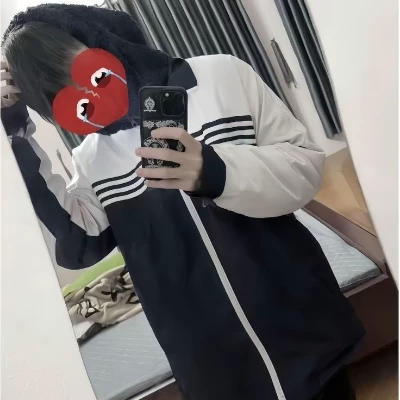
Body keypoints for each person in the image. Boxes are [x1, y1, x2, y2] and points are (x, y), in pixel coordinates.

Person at [1, 4, 362, 400]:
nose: (85, 94)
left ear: (98, 38)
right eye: (59, 94)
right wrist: (15, 134)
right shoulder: (91, 157)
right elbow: (79, 243)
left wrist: (215, 171)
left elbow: (304, 168)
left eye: (84, 72)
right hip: (212, 361)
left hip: (301, 321)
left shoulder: (221, 76)